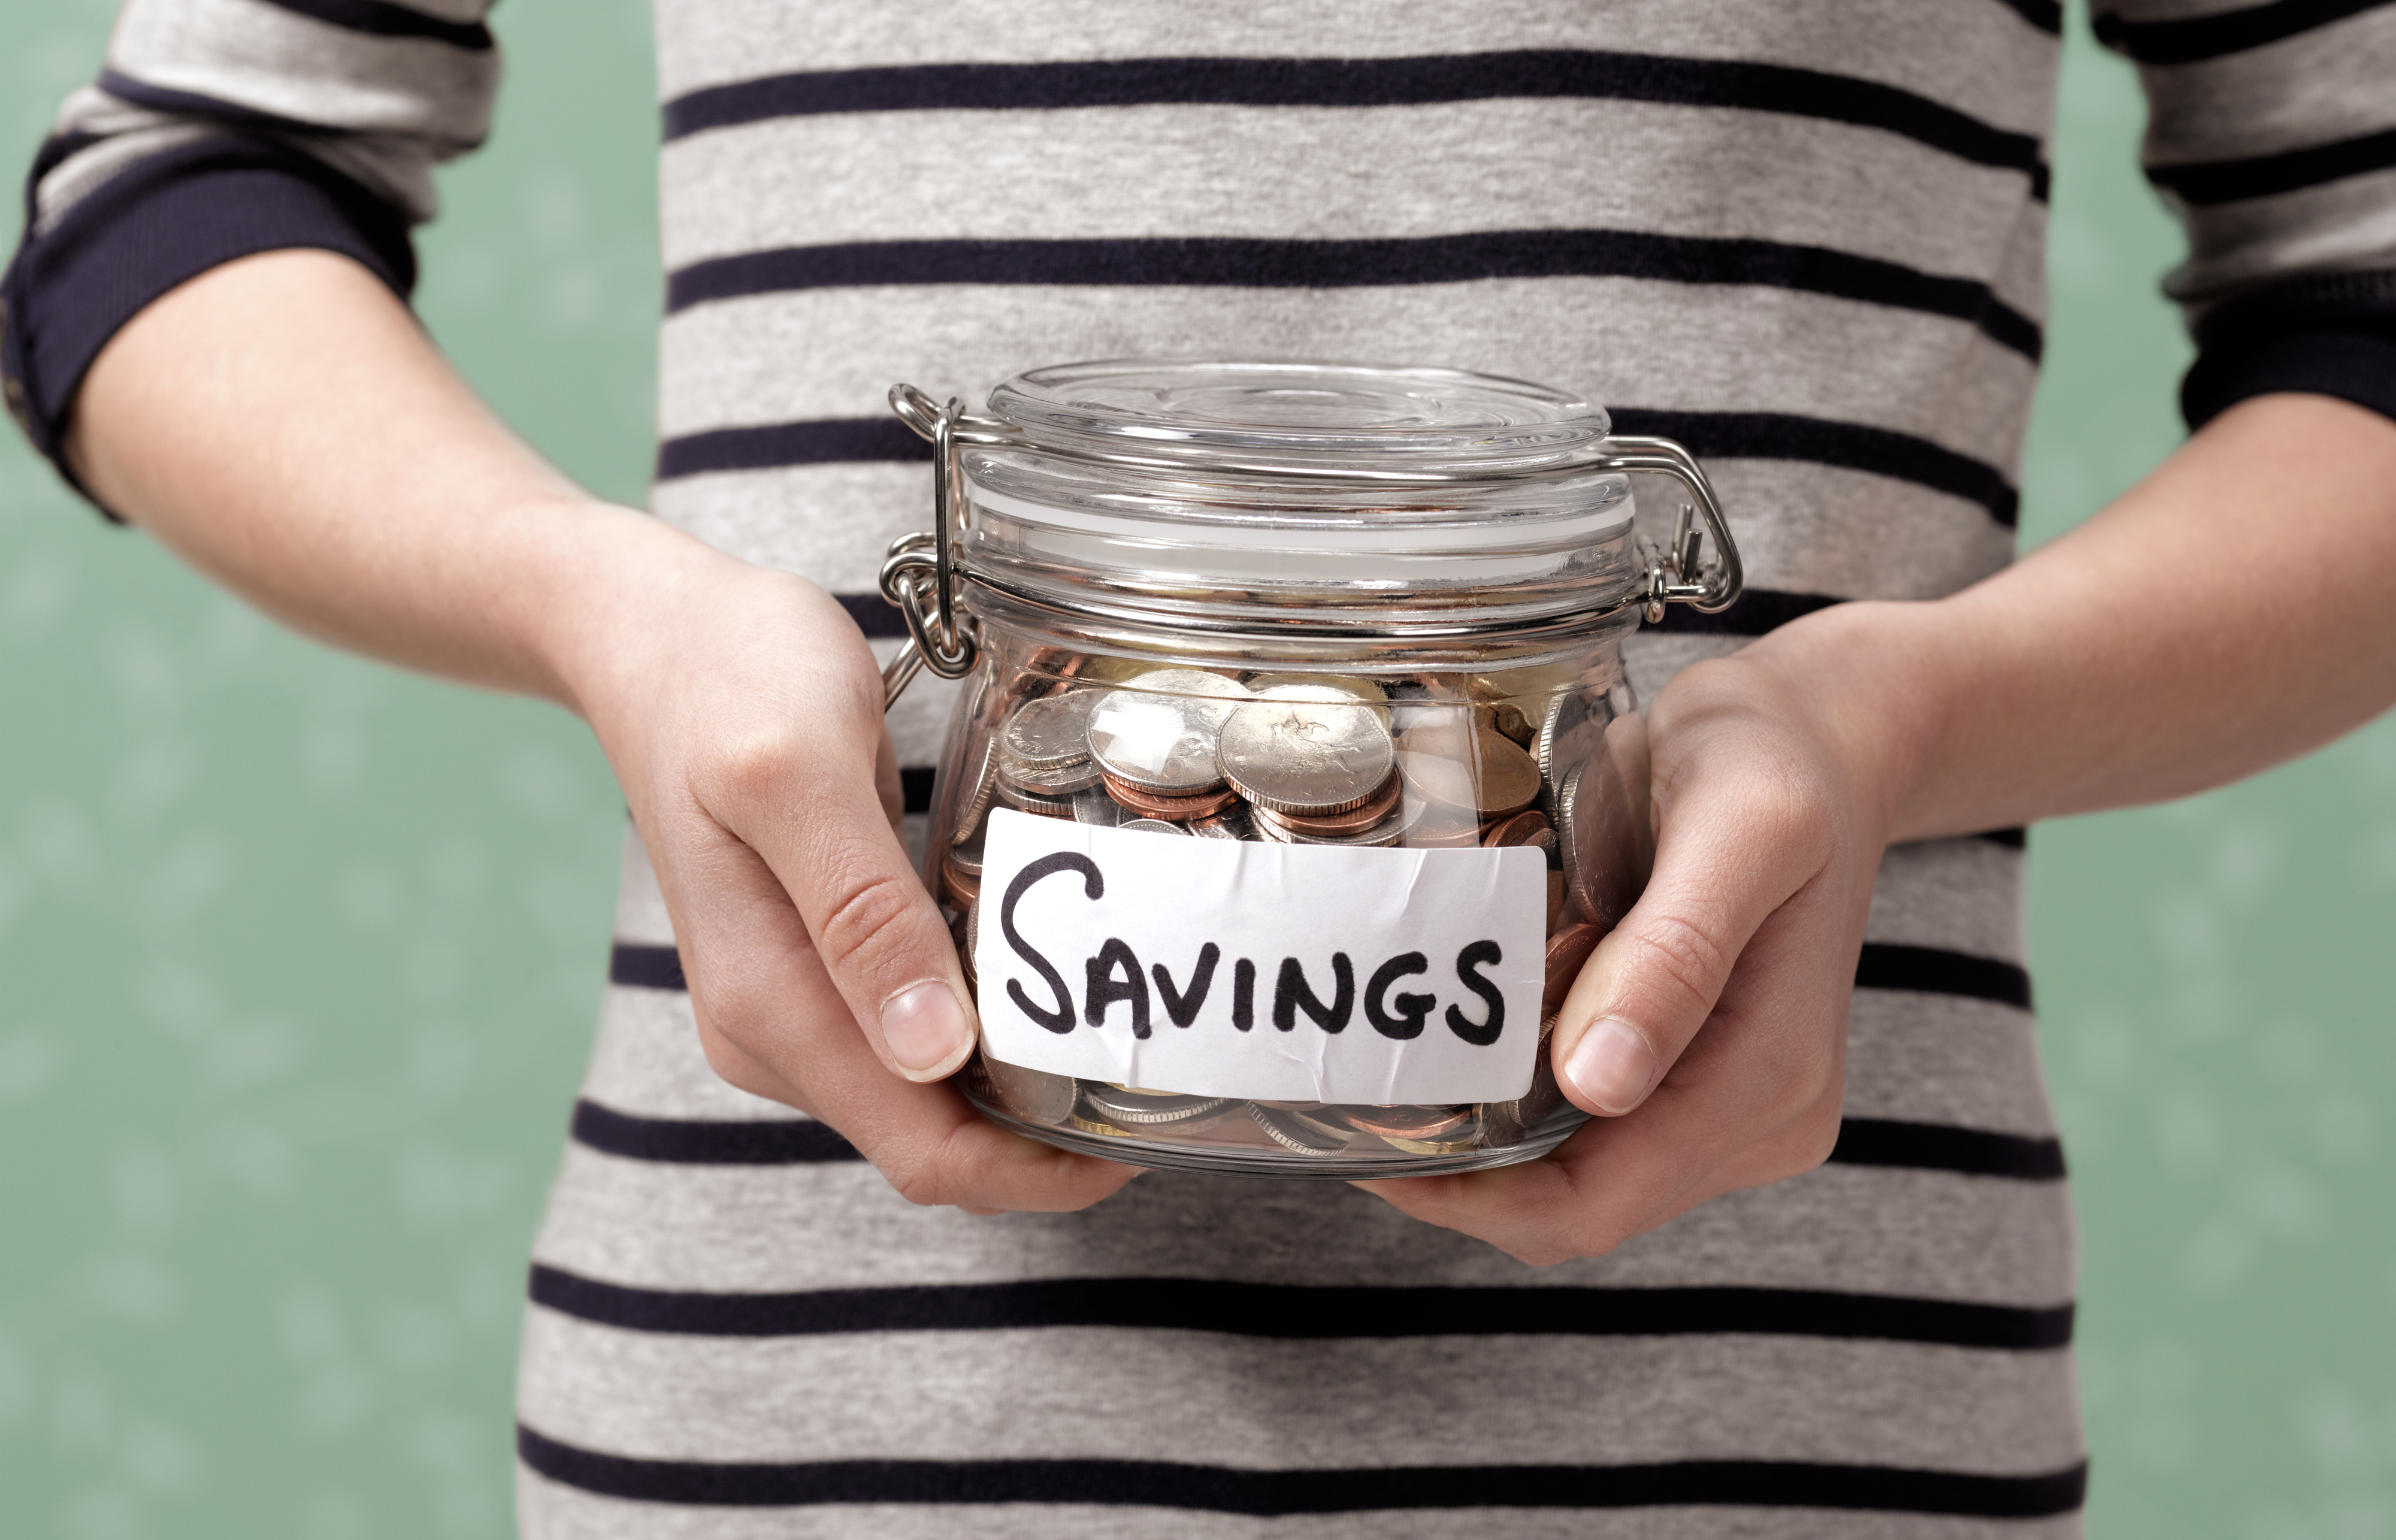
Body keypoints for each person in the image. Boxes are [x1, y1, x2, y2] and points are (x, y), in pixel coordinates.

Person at [7, 1, 2393, 1534]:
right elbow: (162, 192)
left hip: (1794, 1425)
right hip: (821, 1432)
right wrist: (600, 606)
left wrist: (1896, 716)